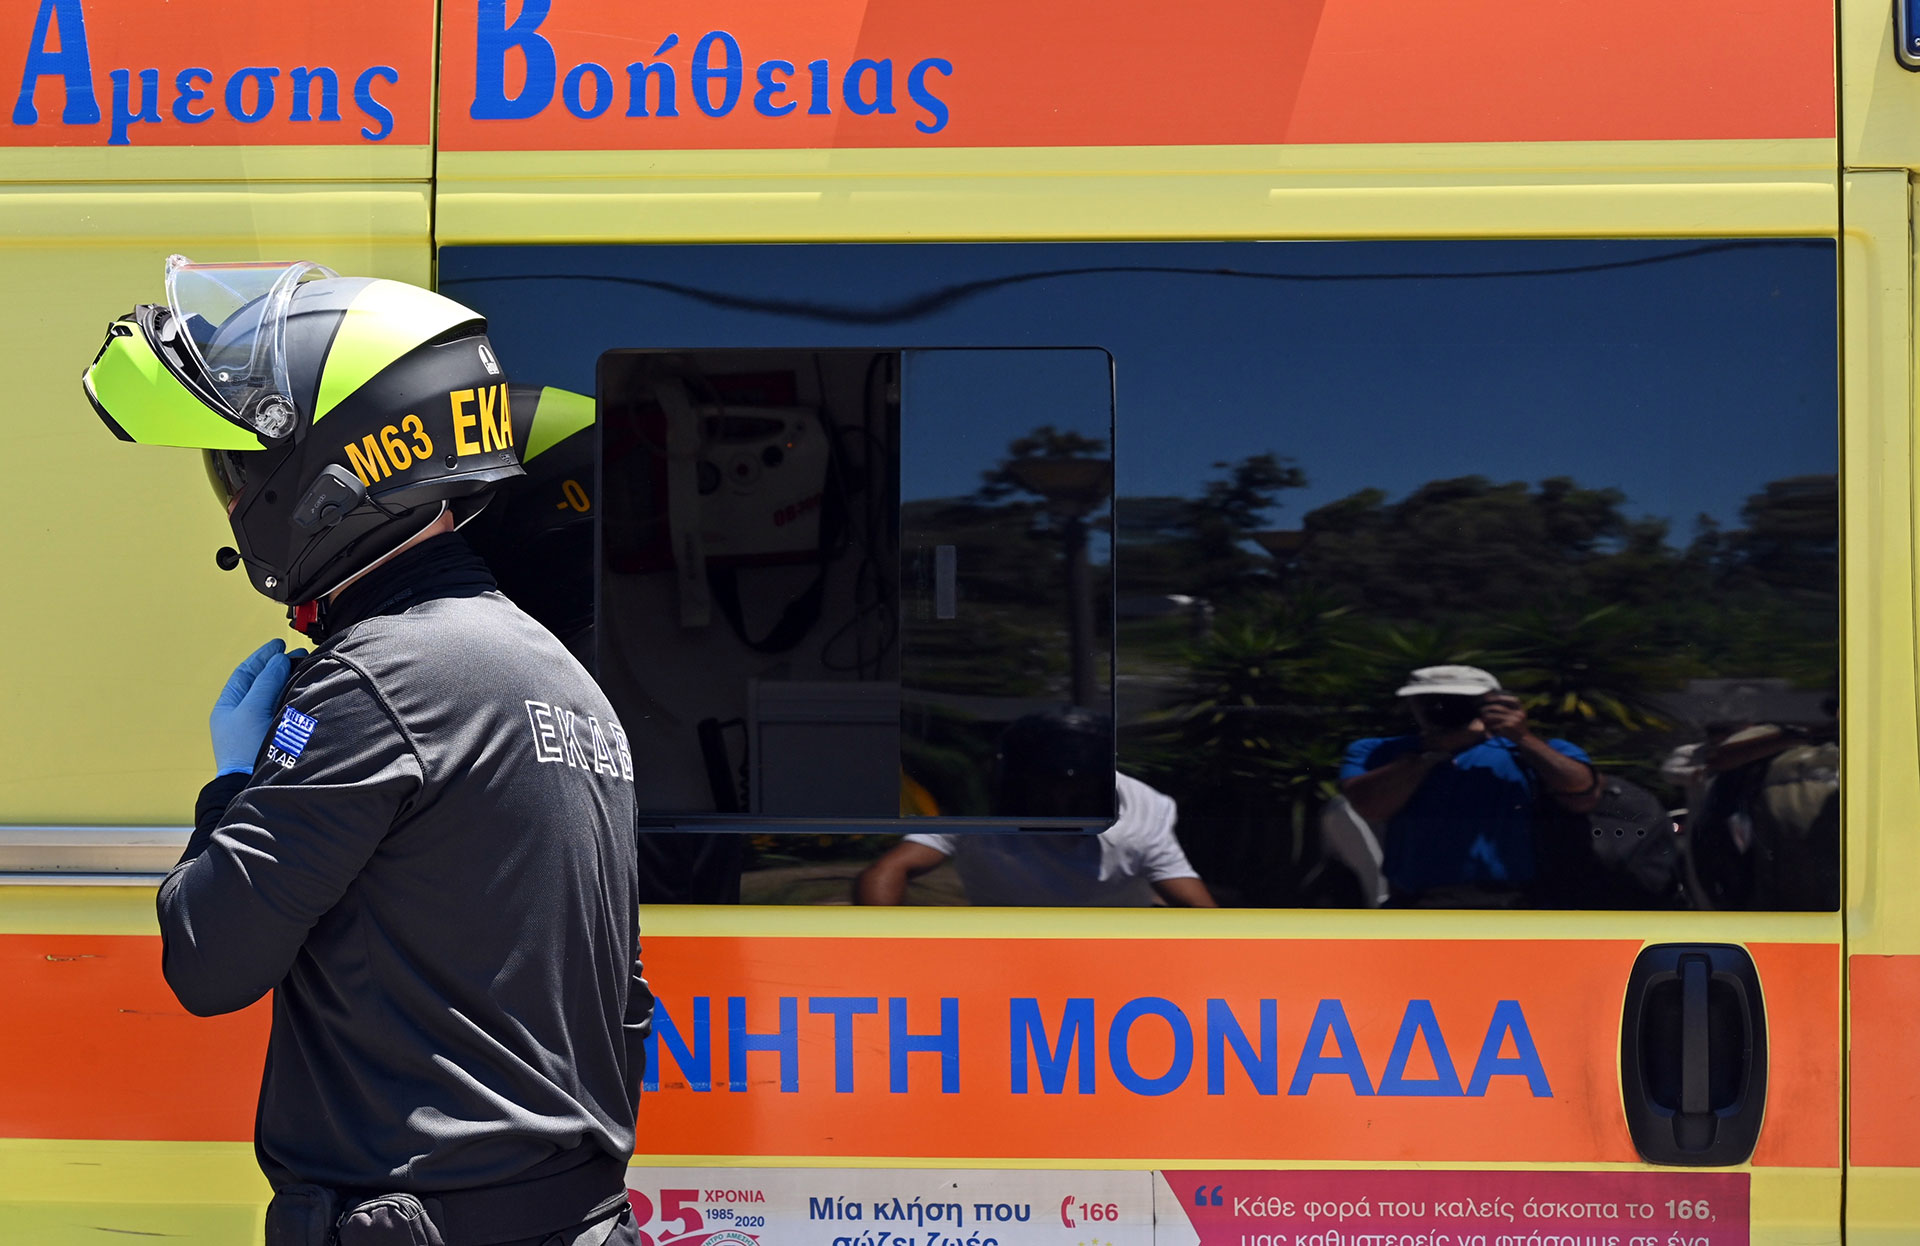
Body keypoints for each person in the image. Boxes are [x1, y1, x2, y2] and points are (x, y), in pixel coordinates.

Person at [82, 257, 647, 1246]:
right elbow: (622, 1004)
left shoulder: (381, 677)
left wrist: (232, 783)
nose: (233, 496)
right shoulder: (564, 678)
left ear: (328, 475)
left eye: (238, 468)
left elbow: (208, 958)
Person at [855, 709, 1216, 907]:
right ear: (1017, 781)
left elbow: (1197, 909)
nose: (1061, 802)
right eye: (1048, 787)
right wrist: (884, 955)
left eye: (1078, 791)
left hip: (1111, 947)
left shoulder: (1141, 811)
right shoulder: (980, 806)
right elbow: (889, 870)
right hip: (1005, 945)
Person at [1340, 665, 1599, 905]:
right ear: (1412, 703)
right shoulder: (1376, 751)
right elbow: (1370, 807)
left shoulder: (1537, 751)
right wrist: (1430, 754)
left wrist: (1521, 737)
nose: (1441, 707)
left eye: (1459, 700)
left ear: (1494, 702)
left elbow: (1582, 793)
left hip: (1516, 902)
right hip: (1421, 903)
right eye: (1428, 700)